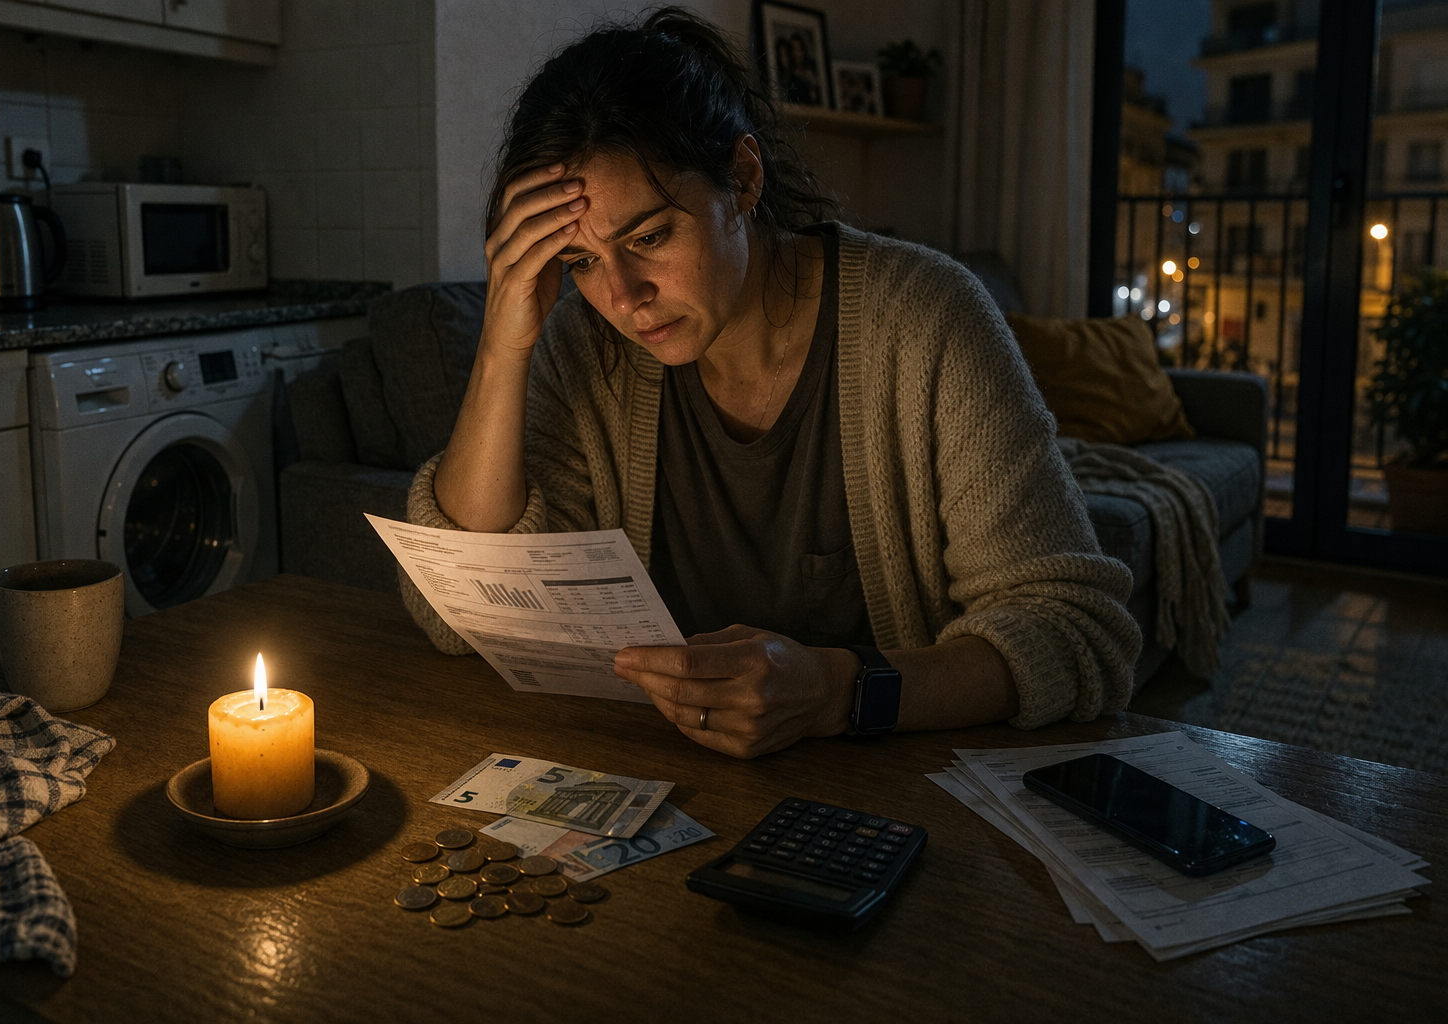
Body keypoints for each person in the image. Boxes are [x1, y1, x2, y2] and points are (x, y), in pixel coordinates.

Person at [402, 8, 1140, 759]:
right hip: (668, 782)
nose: (624, 298)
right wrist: (502, 346)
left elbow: (1073, 631)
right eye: (583, 262)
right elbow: (462, 617)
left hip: (908, 797)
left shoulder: (927, 317)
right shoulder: (585, 345)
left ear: (744, 179)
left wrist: (837, 693)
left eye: (650, 237)